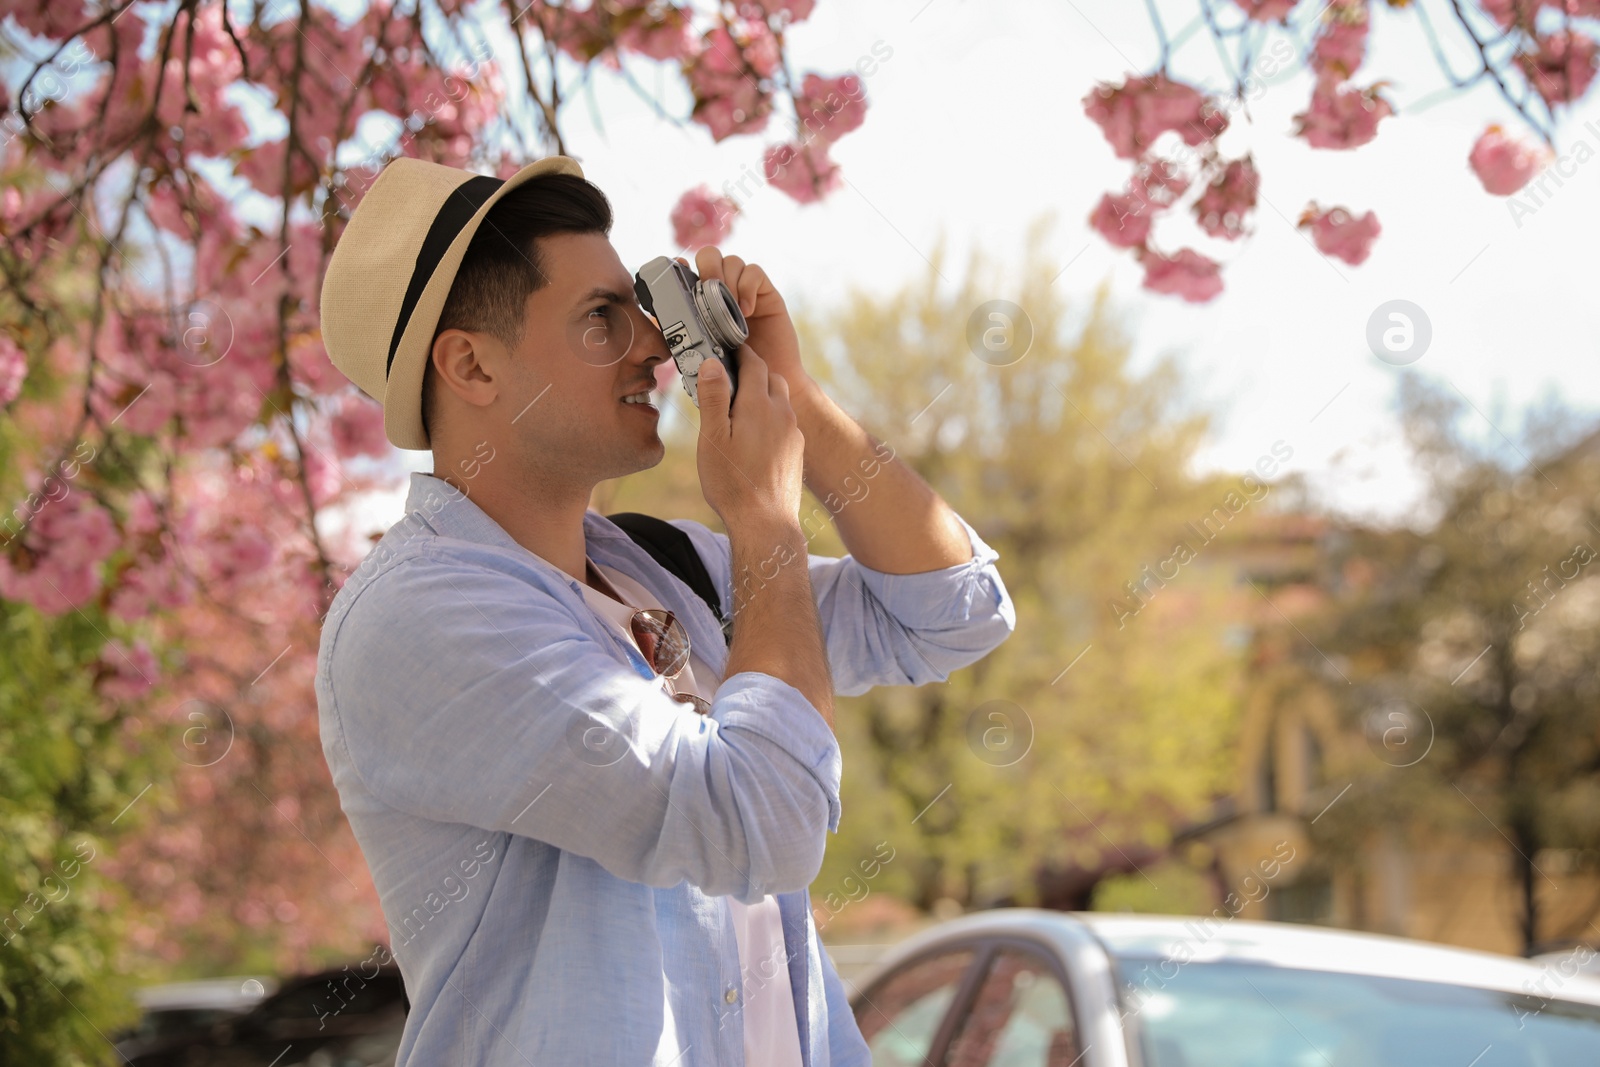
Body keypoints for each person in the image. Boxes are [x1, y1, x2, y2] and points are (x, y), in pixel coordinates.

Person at [314, 154, 1016, 1067]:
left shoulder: (662, 565)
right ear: (472, 365)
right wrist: (767, 523)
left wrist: (792, 396)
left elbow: (955, 610)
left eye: (642, 308)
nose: (652, 346)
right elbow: (762, 822)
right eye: (600, 318)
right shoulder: (423, 614)